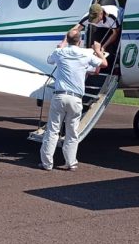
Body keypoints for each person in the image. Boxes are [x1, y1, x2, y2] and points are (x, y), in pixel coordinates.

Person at [40, 29, 108, 171]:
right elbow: (104, 64)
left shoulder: (60, 53)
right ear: (80, 41)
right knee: (72, 132)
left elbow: (49, 59)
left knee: (53, 130)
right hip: (76, 98)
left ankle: (47, 163)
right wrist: (97, 50)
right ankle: (71, 162)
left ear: (68, 40)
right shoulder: (86, 54)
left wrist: (62, 44)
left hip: (60, 95)